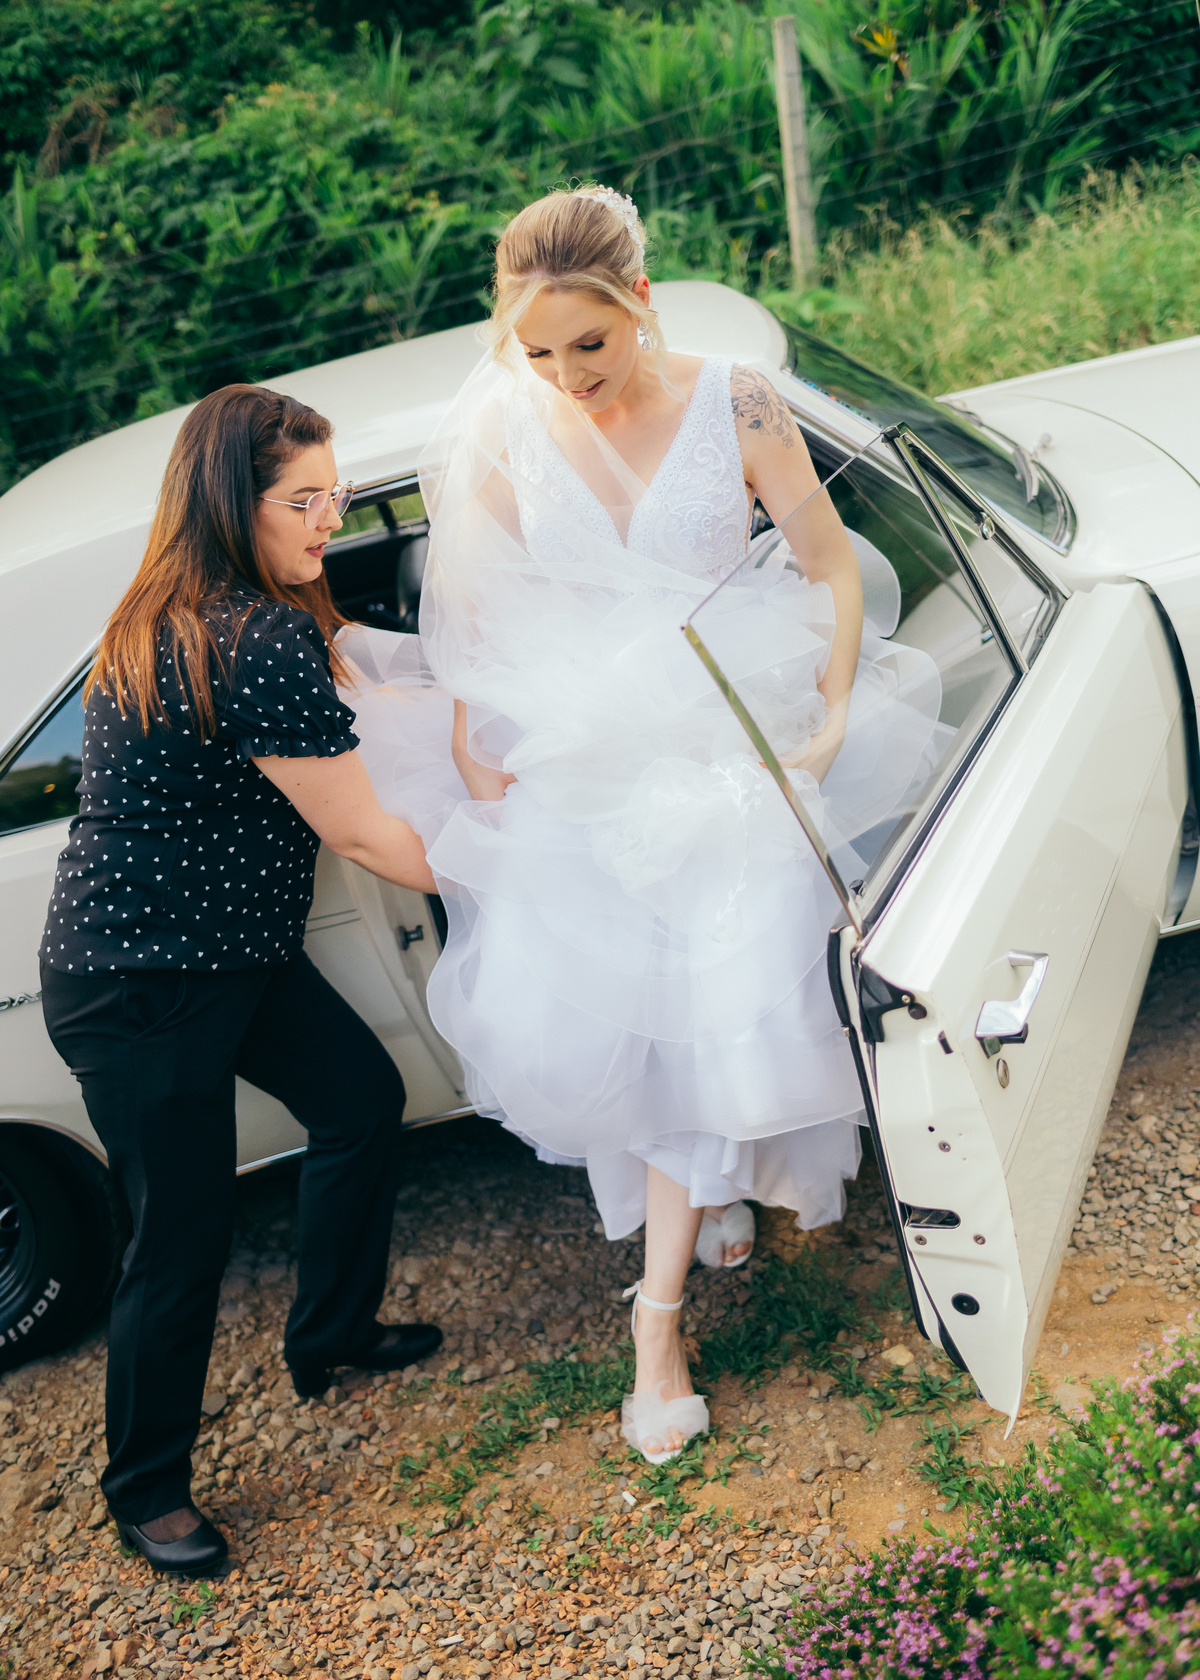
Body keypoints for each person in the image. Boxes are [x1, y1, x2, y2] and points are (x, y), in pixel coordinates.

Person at [343, 186, 945, 1464]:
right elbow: (480, 628)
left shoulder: (738, 402)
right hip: (586, 763)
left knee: (719, 1003)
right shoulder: (504, 428)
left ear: (641, 304)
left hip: (733, 741)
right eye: (537, 351)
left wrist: (835, 710)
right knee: (633, 1023)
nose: (567, 375)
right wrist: (484, 775)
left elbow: (830, 564)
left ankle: (658, 1313)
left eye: (590, 343)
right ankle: (684, 1256)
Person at [38, 386, 444, 1576]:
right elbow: (360, 831)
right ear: (233, 502)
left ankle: (330, 1335)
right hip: (141, 982)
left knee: (360, 1102)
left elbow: (357, 707)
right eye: (305, 501)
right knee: (181, 1236)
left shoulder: (196, 610)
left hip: (233, 953)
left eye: (337, 495)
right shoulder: (245, 635)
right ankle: (145, 1489)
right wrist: (516, 874)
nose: (331, 520)